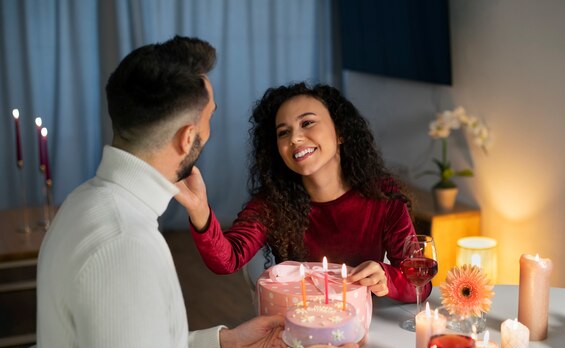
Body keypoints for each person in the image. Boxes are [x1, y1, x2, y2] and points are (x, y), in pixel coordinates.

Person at [36, 36, 358, 348]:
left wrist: (227, 344)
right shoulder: (125, 243)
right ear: (188, 137)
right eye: (210, 119)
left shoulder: (83, 202)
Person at [176, 82, 432, 304]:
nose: (295, 139)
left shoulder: (384, 199)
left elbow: (420, 284)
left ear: (340, 132)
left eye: (307, 123)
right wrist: (199, 211)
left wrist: (385, 276)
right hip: (299, 328)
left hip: (364, 325)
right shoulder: (272, 204)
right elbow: (227, 260)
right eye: (283, 132)